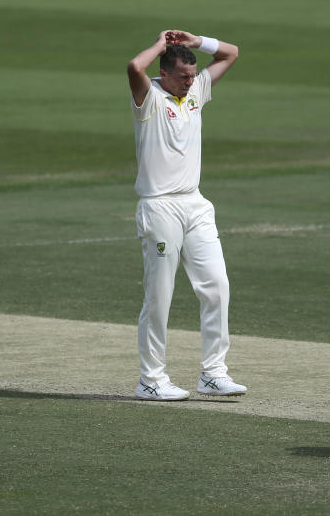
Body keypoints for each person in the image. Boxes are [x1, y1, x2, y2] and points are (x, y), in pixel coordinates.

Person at [126, 29, 246, 400]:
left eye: (193, 75)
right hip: (159, 206)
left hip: (195, 204)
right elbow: (134, 66)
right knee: (160, 295)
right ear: (164, 73)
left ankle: (213, 373)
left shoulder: (194, 92)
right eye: (182, 75)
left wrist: (196, 43)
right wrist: (161, 45)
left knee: (217, 286)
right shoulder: (149, 97)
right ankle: (151, 380)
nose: (190, 81)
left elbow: (231, 54)